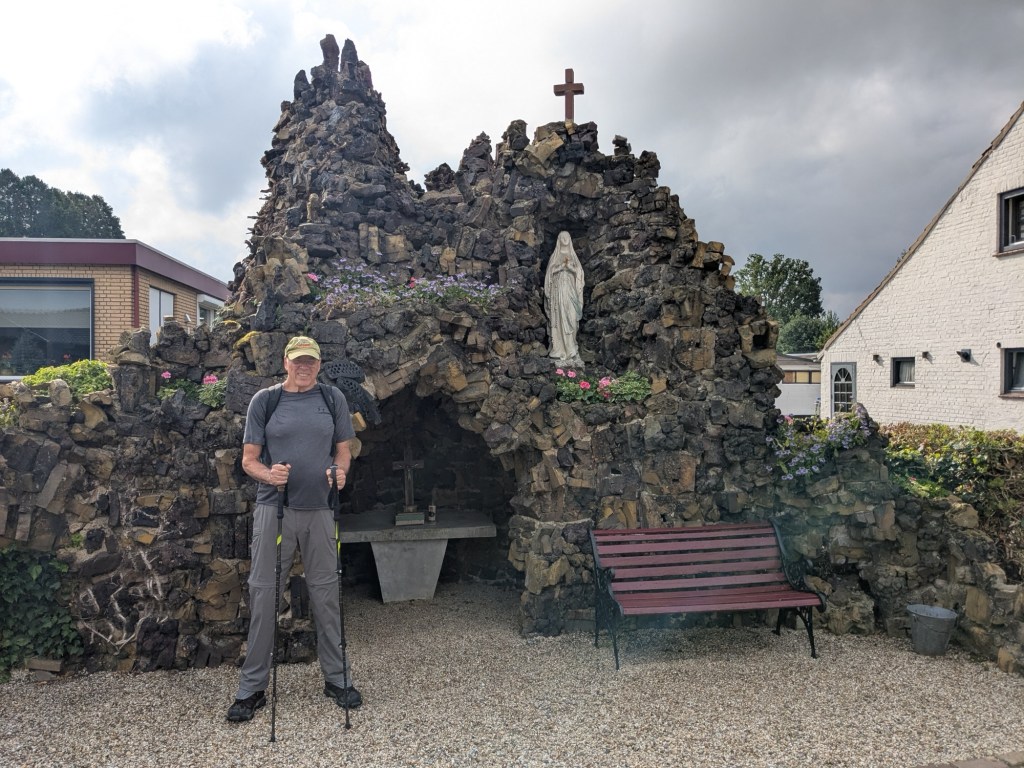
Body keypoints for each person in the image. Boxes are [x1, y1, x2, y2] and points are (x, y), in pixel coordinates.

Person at [227, 335, 360, 722]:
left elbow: (343, 450)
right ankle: (251, 689)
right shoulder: (265, 401)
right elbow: (249, 460)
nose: (304, 366)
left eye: (311, 361)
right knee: (264, 594)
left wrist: (340, 473)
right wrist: (269, 475)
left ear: (318, 364)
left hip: (320, 509)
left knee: (326, 594)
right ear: (285, 362)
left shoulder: (332, 399)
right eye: (298, 360)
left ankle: (337, 679)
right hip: (276, 510)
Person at [544, 231, 585, 364]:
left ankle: (571, 347)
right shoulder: (555, 256)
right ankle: (559, 348)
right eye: (562, 237)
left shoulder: (573, 256)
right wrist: (560, 267)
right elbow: (549, 274)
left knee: (572, 318)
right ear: (559, 239)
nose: (565, 238)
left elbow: (580, 274)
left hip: (571, 292)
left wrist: (571, 268)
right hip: (558, 293)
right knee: (559, 317)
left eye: (567, 236)